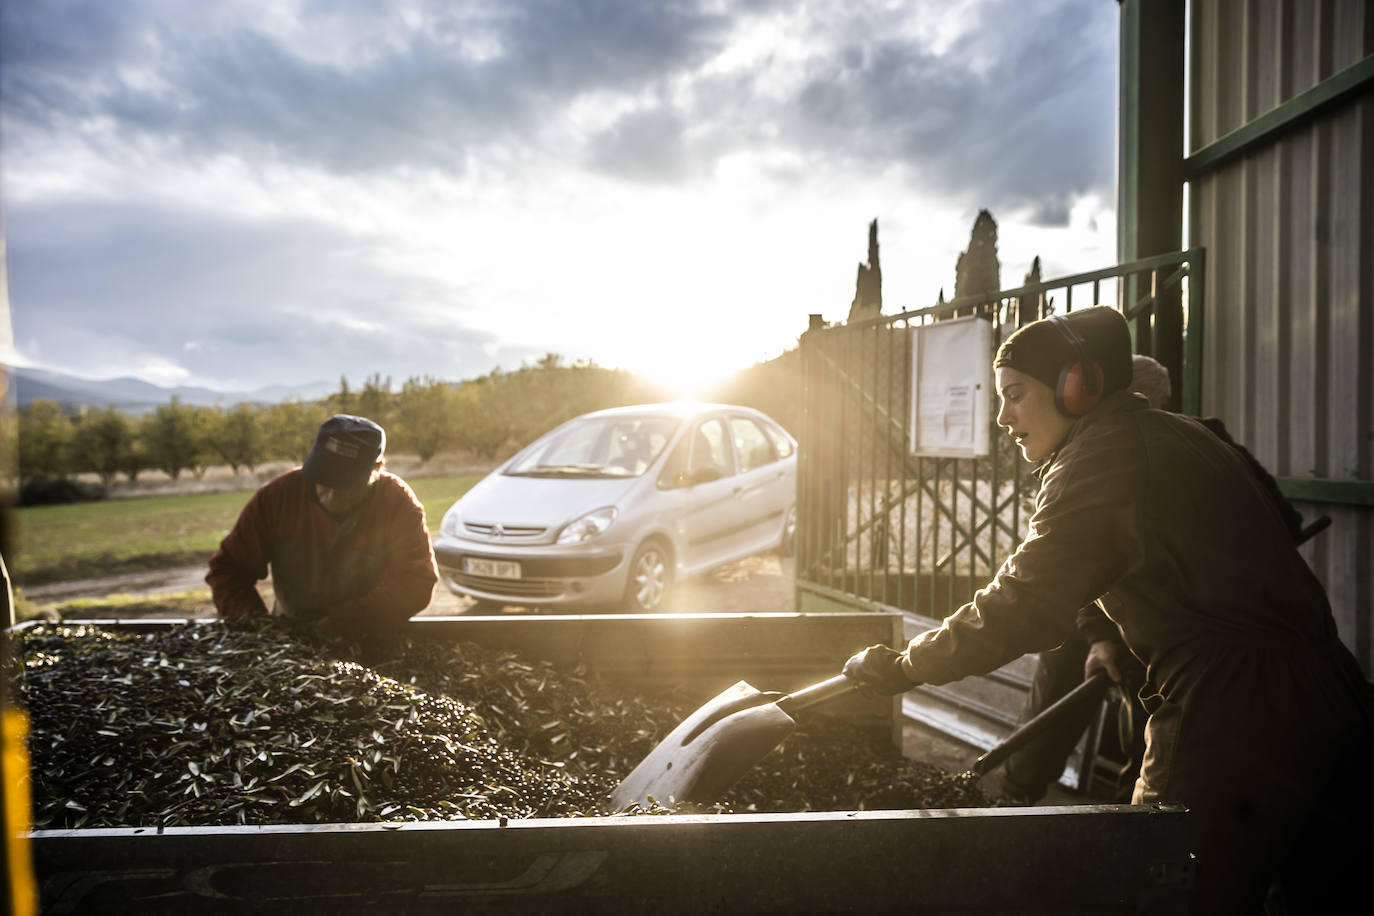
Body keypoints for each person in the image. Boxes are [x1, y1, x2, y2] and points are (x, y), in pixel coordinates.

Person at [842, 306, 1372, 914]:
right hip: (1335, 691)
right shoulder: (1185, 435)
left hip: (1230, 714)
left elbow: (1025, 603)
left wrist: (907, 666)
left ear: (1077, 386)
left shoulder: (1103, 454)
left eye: (1015, 395)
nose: (1002, 418)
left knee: (1162, 889)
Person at [1000, 355, 1309, 805]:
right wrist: (1098, 635)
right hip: (1141, 624)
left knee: (1153, 738)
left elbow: (1281, 524)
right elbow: (1084, 559)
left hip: (1176, 636)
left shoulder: (1135, 447)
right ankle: (1021, 793)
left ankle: (1099, 815)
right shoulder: (1191, 442)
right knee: (1101, 699)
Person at [206, 414, 438, 648]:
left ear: (377, 469)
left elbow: (416, 581)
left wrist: (345, 622)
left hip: (369, 639)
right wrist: (262, 631)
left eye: (346, 485)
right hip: (288, 643)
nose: (331, 496)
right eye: (324, 480)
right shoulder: (278, 497)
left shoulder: (396, 504)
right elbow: (228, 571)